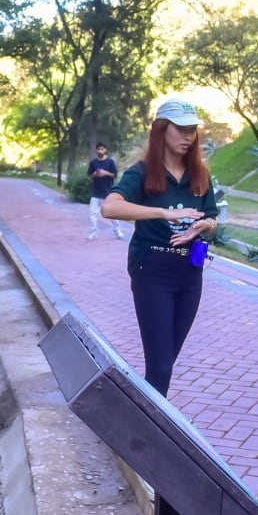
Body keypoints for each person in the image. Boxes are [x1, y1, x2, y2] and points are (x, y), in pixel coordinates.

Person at [102, 98, 220, 397]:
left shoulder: (201, 175)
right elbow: (110, 208)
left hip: (190, 272)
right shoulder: (142, 173)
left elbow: (211, 217)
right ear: (161, 130)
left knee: (166, 362)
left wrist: (204, 226)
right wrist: (163, 213)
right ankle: (146, 434)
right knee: (160, 366)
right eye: (180, 129)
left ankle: (142, 421)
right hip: (152, 271)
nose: (188, 136)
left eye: (192, 130)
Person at [87, 142, 122, 240]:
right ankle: (93, 233)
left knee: (112, 214)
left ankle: (117, 231)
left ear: (105, 150)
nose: (100, 151)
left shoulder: (110, 162)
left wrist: (105, 173)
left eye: (102, 149)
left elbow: (114, 175)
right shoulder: (93, 162)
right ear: (96, 150)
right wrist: (95, 174)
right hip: (95, 193)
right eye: (98, 149)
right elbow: (90, 175)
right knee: (92, 214)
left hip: (107, 193)